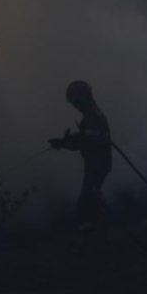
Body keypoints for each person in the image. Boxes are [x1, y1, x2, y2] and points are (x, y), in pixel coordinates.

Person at [49, 80, 112, 231]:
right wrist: (64, 141)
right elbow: (86, 137)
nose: (75, 106)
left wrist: (64, 144)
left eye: (76, 102)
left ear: (82, 99)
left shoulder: (93, 116)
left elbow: (88, 142)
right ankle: (98, 238)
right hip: (96, 165)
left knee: (85, 207)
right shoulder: (91, 114)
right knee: (92, 203)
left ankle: (94, 242)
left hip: (97, 166)